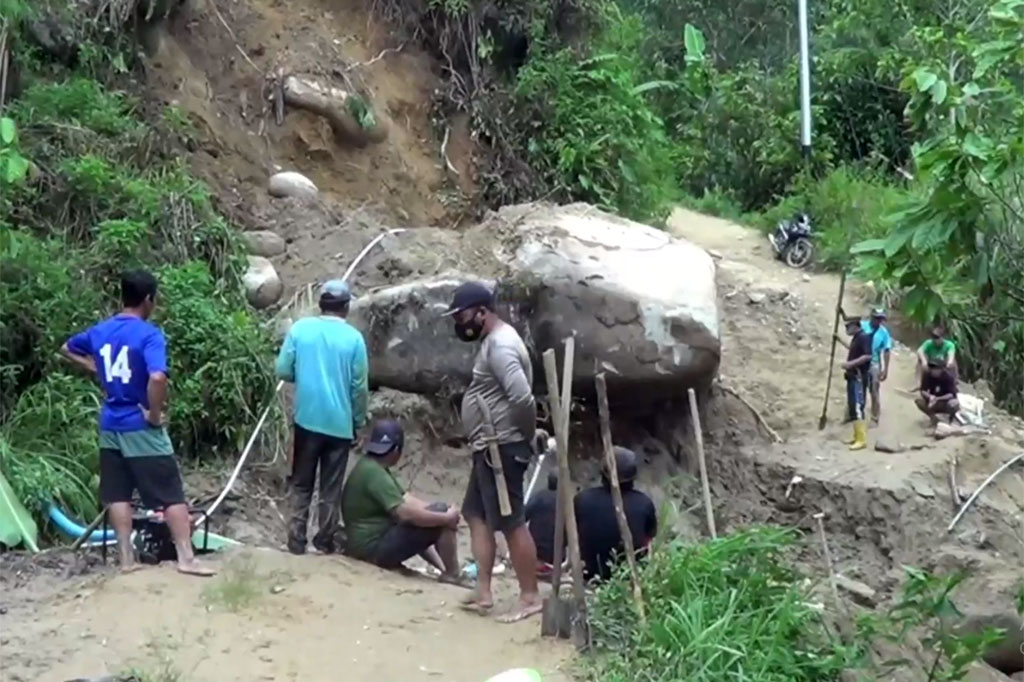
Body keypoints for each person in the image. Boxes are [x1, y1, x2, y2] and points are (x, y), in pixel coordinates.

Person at [61, 270, 214, 576]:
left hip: (110, 423)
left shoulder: (101, 330)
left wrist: (94, 367)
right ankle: (186, 557)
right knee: (170, 492)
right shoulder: (149, 335)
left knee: (117, 493)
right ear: (148, 300)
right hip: (139, 422)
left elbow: (67, 347)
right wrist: (155, 414)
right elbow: (157, 376)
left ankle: (126, 561)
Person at [443, 281, 542, 623]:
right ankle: (483, 590)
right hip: (489, 446)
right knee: (476, 513)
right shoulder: (491, 342)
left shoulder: (500, 346)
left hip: (502, 447)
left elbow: (522, 397)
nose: (460, 322)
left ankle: (530, 596)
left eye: (463, 315)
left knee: (512, 522)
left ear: (482, 312)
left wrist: (525, 435)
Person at [276, 280, 369, 555]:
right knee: (331, 486)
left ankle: (295, 539)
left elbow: (282, 370)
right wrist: (359, 420)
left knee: (301, 482)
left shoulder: (301, 329)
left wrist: (302, 374)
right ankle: (324, 540)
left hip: (307, 420)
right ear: (346, 306)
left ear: (321, 304)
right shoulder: (354, 339)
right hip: (340, 425)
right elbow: (359, 387)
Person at [341, 419, 462, 579]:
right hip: (371, 550)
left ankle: (445, 570)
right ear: (397, 450)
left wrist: (442, 512)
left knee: (433, 515)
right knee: (433, 517)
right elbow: (406, 514)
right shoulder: (375, 475)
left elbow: (409, 503)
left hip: (368, 544)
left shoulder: (371, 467)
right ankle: (453, 573)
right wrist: (446, 517)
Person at [574, 446, 657, 583]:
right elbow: (648, 540)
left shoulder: (582, 499)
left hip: (589, 575)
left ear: (602, 474)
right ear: (633, 478)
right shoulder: (644, 503)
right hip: (628, 577)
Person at [835, 317, 872, 450]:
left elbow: (867, 355)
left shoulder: (864, 337)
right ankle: (857, 436)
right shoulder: (857, 338)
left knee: (857, 406)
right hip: (852, 376)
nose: (846, 330)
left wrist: (850, 364)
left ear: (855, 326)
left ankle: (861, 439)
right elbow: (853, 349)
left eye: (847, 327)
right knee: (852, 406)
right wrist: (839, 340)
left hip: (859, 376)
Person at [525, 470, 562, 579]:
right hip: (557, 555)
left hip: (535, 551)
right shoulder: (566, 502)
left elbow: (523, 516)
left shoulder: (539, 497)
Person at [860, 308, 893, 424]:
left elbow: (887, 351)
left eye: (880, 319)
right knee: (859, 388)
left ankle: (875, 416)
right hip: (859, 361)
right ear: (871, 317)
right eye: (876, 318)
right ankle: (857, 413)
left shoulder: (883, 333)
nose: (878, 321)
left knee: (874, 389)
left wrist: (885, 370)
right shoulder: (862, 326)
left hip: (874, 362)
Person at [915, 361, 960, 425]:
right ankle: (933, 418)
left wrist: (938, 398)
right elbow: (923, 390)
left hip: (945, 401)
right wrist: (929, 396)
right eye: (932, 368)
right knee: (919, 401)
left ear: (941, 369)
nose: (933, 370)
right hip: (932, 400)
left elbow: (951, 394)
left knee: (954, 404)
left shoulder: (948, 377)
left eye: (936, 368)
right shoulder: (928, 375)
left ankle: (950, 420)